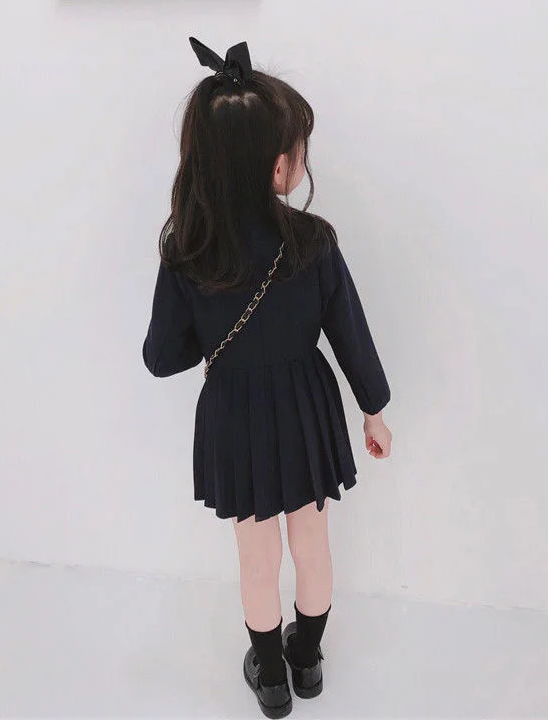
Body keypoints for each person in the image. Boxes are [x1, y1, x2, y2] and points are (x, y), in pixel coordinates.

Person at [142, 38, 392, 718]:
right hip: (306, 405)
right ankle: (307, 658)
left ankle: (272, 677)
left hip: (234, 413)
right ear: (279, 164)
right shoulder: (313, 240)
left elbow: (161, 356)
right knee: (311, 542)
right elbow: (350, 332)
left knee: (257, 556)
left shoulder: (187, 250)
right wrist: (373, 408)